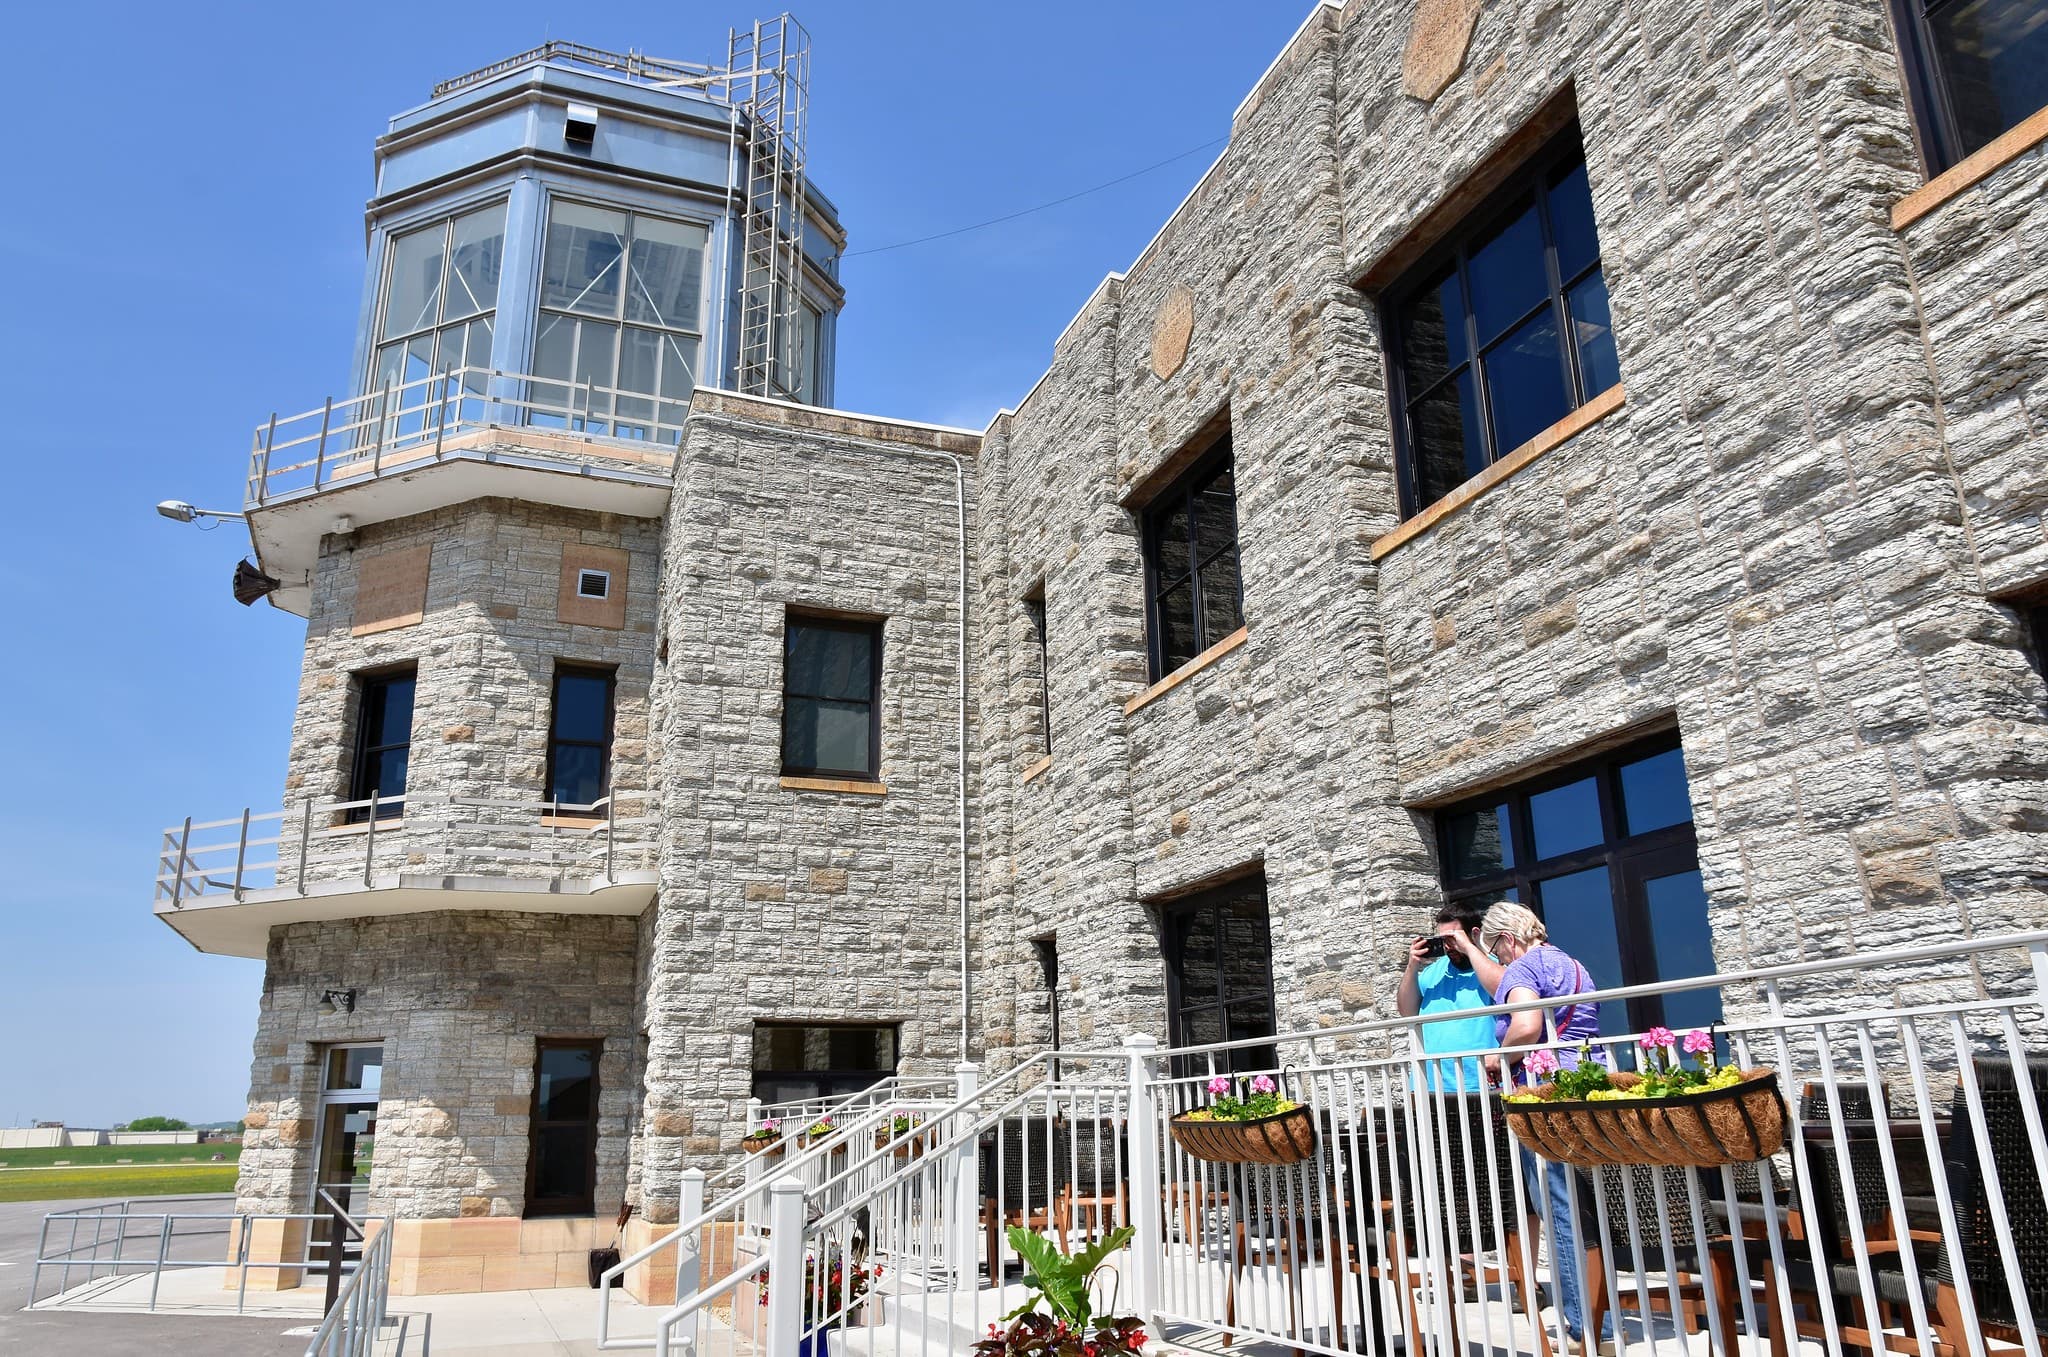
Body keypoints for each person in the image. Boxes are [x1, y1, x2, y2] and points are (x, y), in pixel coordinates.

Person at [1478, 901, 1605, 1348]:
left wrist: (1496, 1057)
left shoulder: (1521, 971)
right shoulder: (1574, 966)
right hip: (1586, 1090)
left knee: (1560, 1209)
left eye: (1495, 951)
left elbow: (1528, 1025)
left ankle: (1583, 1325)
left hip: (1542, 1099)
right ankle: (1595, 1315)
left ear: (1507, 939)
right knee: (1585, 1210)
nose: (1498, 961)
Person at [1396, 902, 1503, 1093]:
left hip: (1481, 1083)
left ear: (1474, 933)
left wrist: (1470, 948)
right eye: (1442, 939)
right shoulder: (1433, 972)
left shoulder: (1494, 967)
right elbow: (1407, 1011)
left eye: (1453, 938)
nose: (1448, 946)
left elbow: (1503, 991)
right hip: (1431, 1084)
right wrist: (1412, 966)